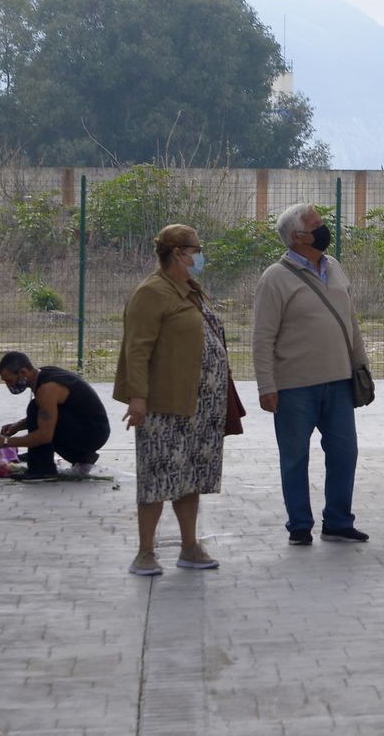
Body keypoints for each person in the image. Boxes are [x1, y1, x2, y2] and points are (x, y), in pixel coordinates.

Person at [113, 224, 230, 576]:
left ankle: (189, 546)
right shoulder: (152, 292)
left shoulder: (189, 289)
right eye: (196, 248)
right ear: (179, 253)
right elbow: (137, 348)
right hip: (165, 404)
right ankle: (145, 552)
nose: (200, 255)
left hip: (199, 407)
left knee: (190, 476)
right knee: (156, 478)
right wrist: (137, 397)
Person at [253, 203, 371, 546]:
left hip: (338, 382)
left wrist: (361, 367)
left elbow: (351, 323)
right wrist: (266, 386)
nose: (323, 230)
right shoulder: (274, 278)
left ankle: (338, 521)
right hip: (294, 387)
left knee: (345, 452)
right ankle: (299, 526)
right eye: (315, 225)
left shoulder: (334, 267)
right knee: (294, 458)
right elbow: (262, 337)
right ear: (296, 237)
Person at [0, 352, 110, 481]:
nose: (9, 386)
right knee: (35, 409)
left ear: (23, 372)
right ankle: (80, 456)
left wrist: (6, 442)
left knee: (36, 410)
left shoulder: (46, 389)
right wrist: (17, 426)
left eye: (9, 380)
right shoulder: (43, 374)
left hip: (93, 433)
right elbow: (47, 413)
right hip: (92, 427)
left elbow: (45, 435)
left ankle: (42, 469)